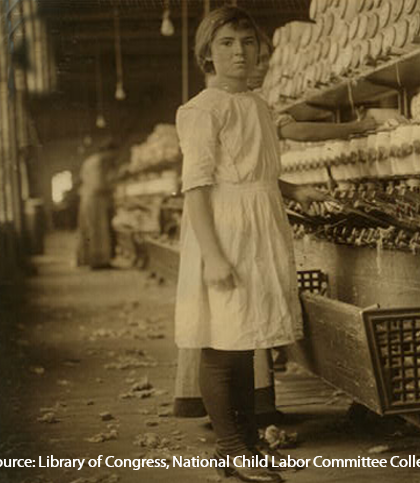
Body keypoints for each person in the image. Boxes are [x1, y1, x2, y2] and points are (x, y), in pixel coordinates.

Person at [174, 7, 376, 482]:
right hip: (223, 232)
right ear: (207, 53)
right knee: (221, 345)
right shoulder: (202, 110)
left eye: (247, 43)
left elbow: (249, 169)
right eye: (226, 44)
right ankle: (230, 450)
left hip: (259, 225)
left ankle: (245, 445)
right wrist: (215, 256)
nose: (239, 53)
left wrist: (291, 190)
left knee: (244, 343)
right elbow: (197, 188)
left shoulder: (257, 105)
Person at [76, 144, 115, 269]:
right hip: (95, 199)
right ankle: (99, 262)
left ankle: (89, 260)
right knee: (98, 231)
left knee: (89, 230)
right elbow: (98, 184)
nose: (113, 158)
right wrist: (112, 188)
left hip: (87, 198)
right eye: (113, 154)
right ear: (107, 151)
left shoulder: (90, 161)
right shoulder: (98, 162)